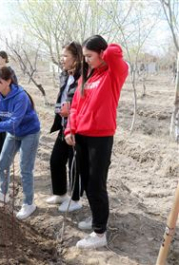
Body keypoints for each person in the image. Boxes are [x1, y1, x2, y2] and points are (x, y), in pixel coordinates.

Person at [65, 35, 128, 249]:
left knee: (96, 185)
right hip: (81, 136)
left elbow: (114, 52)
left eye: (90, 56)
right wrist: (69, 129)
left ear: (102, 54)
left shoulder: (113, 74)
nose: (86, 60)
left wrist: (103, 52)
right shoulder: (87, 77)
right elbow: (75, 106)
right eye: (84, 56)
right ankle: (96, 219)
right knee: (87, 183)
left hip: (100, 138)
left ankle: (100, 233)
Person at [0, 66, 40, 220]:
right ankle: (3, 192)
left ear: (8, 81)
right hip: (13, 134)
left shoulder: (20, 97)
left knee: (25, 168)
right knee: (2, 162)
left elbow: (13, 124)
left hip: (29, 133)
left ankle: (28, 203)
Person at [47, 42, 83, 213]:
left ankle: (75, 199)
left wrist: (72, 112)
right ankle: (61, 193)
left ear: (76, 58)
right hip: (63, 125)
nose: (62, 59)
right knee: (56, 159)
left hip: (76, 127)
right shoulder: (65, 75)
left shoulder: (83, 78)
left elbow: (83, 103)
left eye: (65, 56)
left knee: (74, 165)